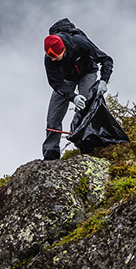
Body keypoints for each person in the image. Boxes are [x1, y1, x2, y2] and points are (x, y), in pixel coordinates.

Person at [42, 17, 114, 161]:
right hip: (66, 79)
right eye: (51, 57)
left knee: (87, 108)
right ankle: (51, 154)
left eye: (56, 57)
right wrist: (72, 97)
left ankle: (88, 148)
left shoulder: (80, 43)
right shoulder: (50, 58)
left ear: (63, 49)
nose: (53, 60)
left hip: (88, 72)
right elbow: (55, 83)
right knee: (53, 116)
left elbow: (106, 60)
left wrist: (103, 80)